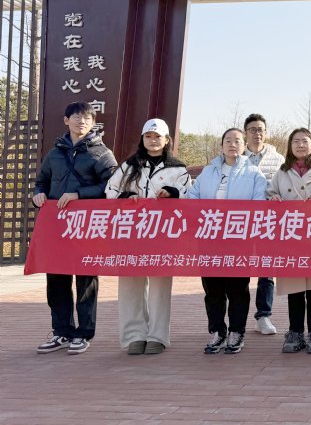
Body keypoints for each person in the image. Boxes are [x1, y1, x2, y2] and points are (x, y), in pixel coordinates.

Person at [32, 101, 117, 355]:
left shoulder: (102, 154)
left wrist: (79, 194)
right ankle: (62, 331)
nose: (82, 121)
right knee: (56, 280)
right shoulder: (54, 154)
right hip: (57, 228)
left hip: (87, 228)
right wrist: (38, 195)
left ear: (93, 123)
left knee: (86, 281)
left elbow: (113, 187)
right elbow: (41, 182)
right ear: (66, 120)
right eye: (77, 117)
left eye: (87, 118)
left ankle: (83, 333)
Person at [105, 118, 191, 355]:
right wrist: (125, 197)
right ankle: (134, 336)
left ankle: (157, 336)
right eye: (149, 136)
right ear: (142, 139)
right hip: (131, 233)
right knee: (130, 285)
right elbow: (110, 191)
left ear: (167, 140)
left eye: (158, 137)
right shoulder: (129, 166)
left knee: (160, 286)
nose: (153, 141)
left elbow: (189, 195)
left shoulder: (178, 168)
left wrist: (173, 193)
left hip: (162, 234)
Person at [189, 127, 266, 355]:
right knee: (212, 288)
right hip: (209, 237)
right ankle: (217, 330)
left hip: (238, 239)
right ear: (221, 145)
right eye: (228, 141)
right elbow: (193, 197)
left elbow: (259, 204)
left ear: (244, 145)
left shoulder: (254, 173)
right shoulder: (208, 172)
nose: (233, 144)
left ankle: (236, 331)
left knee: (237, 288)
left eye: (237, 141)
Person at [270, 127, 311, 354]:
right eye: (296, 141)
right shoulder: (282, 171)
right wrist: (274, 198)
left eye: (304, 141)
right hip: (291, 235)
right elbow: (270, 194)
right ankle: (295, 332)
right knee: (295, 288)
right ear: (290, 146)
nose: (300, 145)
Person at [243, 113, 285, 337]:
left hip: (268, 221)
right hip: (240, 222)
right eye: (252, 129)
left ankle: (263, 316)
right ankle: (237, 317)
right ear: (245, 133)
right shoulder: (235, 156)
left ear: (266, 133)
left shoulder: (278, 159)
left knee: (266, 270)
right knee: (239, 270)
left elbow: (284, 186)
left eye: (260, 129)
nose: (257, 133)